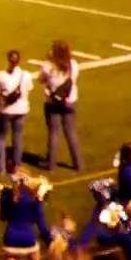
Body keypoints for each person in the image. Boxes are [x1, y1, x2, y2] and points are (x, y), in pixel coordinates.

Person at [38, 40, 83, 171]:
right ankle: (78, 164)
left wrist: (48, 60)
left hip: (52, 103)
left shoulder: (48, 66)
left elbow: (40, 79)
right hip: (69, 101)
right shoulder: (73, 64)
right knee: (70, 132)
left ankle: (51, 164)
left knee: (54, 133)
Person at [0, 173, 52, 260]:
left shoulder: (7, 195)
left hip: (11, 237)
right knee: (35, 258)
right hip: (28, 238)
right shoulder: (34, 199)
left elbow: (2, 217)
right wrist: (49, 240)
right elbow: (41, 225)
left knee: (11, 257)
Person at [0, 50, 32, 174]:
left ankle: (1, 168)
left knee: (1, 138)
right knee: (17, 137)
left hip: (6, 110)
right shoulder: (26, 75)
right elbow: (28, 90)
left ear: (8, 60)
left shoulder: (0, 75)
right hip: (22, 109)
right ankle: (17, 166)